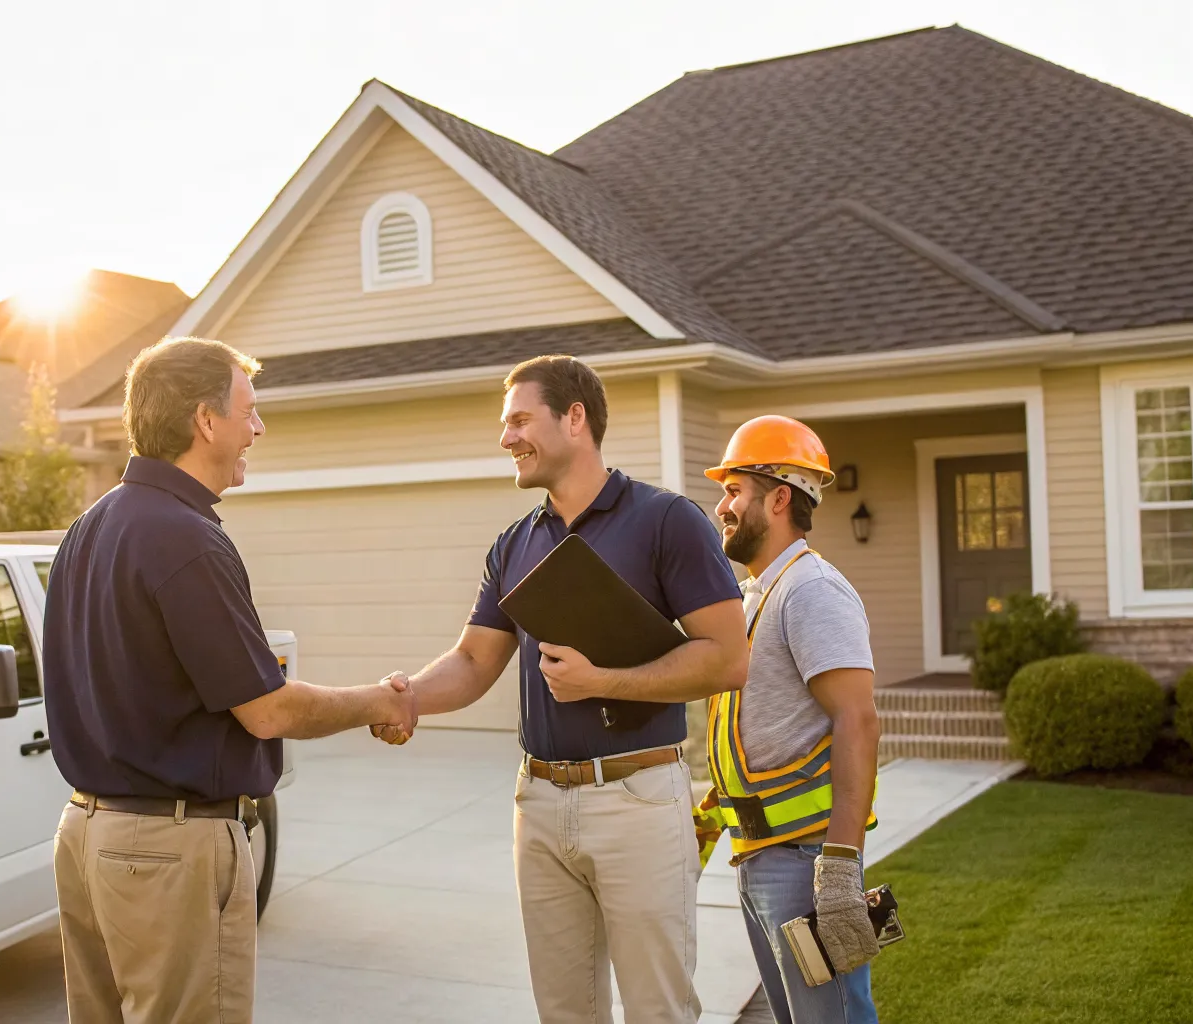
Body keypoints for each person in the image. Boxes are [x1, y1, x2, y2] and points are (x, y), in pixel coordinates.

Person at [42, 337, 419, 1024]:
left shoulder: (89, 529)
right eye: (249, 410)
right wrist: (378, 700)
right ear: (204, 420)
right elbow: (266, 710)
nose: (258, 428)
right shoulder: (183, 537)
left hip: (85, 836)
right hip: (166, 854)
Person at [375, 354, 749, 1024]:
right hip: (540, 802)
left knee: (658, 1010)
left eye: (519, 419)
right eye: (504, 423)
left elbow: (728, 659)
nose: (505, 437)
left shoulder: (667, 522)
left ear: (575, 418)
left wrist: (601, 682)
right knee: (564, 1013)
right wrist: (402, 699)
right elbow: (473, 659)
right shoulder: (514, 544)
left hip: (637, 799)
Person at [700, 415, 882, 1024]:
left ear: (779, 498)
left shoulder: (811, 591)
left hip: (806, 864)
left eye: (734, 490)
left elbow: (857, 720)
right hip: (762, 856)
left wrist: (840, 867)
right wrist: (711, 813)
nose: (721, 505)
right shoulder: (757, 596)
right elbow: (761, 729)